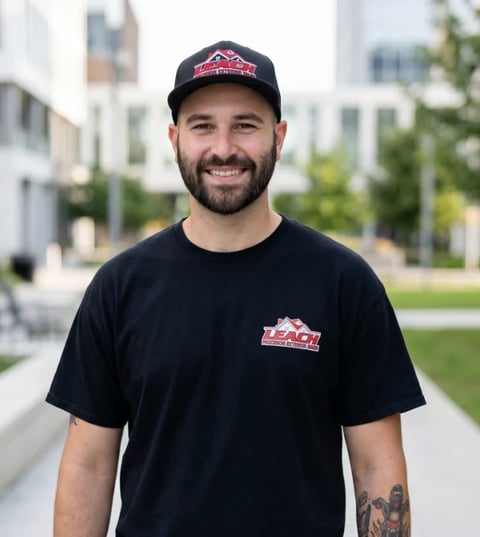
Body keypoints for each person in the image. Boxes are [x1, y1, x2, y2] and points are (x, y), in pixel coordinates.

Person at [46, 40, 426, 537]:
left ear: (279, 136)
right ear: (174, 138)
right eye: (202, 125)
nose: (223, 148)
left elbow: (378, 469)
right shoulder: (120, 288)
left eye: (245, 125)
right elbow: (88, 467)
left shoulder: (343, 283)